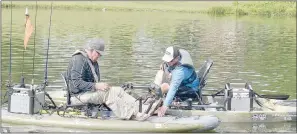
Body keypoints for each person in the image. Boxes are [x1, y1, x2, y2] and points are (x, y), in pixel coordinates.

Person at [64, 38, 162, 121]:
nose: (99, 56)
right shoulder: (78, 59)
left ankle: (141, 108)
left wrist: (101, 86)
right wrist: (96, 86)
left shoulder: (92, 61)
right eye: (98, 53)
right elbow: (76, 82)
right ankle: (132, 114)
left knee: (117, 89)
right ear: (92, 50)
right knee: (108, 94)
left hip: (87, 92)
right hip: (77, 96)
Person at [154, 46, 200, 117]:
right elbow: (168, 64)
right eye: (167, 60)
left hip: (191, 90)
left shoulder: (179, 71)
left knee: (165, 86)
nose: (168, 62)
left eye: (170, 61)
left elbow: (173, 88)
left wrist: (165, 106)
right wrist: (165, 65)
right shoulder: (179, 55)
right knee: (160, 73)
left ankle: (154, 102)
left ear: (177, 58)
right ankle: (154, 96)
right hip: (185, 82)